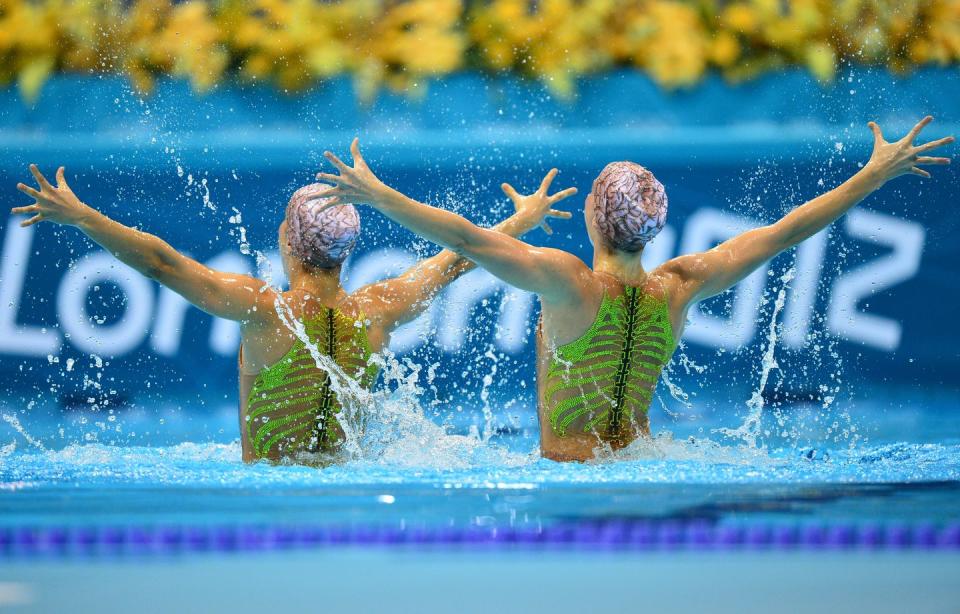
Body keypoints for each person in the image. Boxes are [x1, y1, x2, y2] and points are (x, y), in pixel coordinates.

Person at [314, 117, 953, 462]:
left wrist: (379, 196)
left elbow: (471, 241)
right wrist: (871, 176)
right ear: (653, 226)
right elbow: (784, 233)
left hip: (570, 478)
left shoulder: (569, 284)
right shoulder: (679, 287)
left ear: (593, 217)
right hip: (644, 466)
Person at [12, 165, 576, 463]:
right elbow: (457, 260)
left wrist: (83, 215)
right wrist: (517, 223)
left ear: (289, 241)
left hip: (271, 499)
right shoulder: (382, 307)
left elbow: (162, 263)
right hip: (352, 488)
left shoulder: (266, 312)